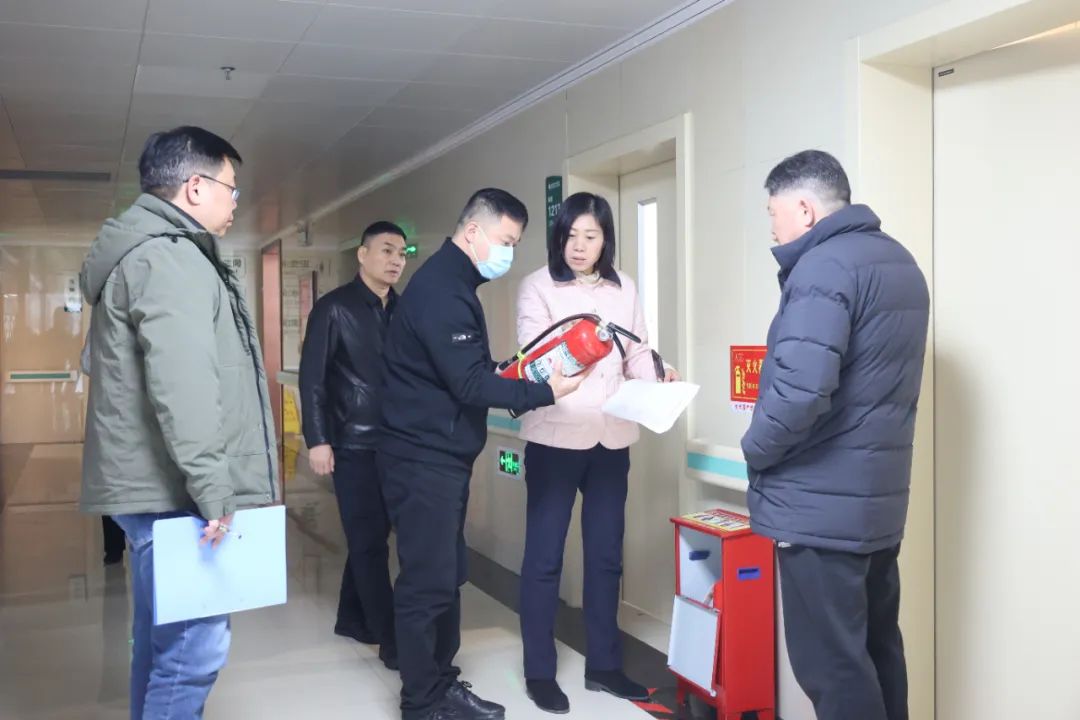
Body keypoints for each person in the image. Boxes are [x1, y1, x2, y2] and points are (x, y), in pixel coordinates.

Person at [79, 126, 278, 720]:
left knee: (161, 640)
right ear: (195, 187)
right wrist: (213, 489)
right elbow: (183, 382)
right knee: (194, 647)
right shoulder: (169, 256)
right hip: (174, 492)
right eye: (230, 188)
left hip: (153, 487)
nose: (235, 201)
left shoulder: (141, 253)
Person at [378, 188, 587, 720]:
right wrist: (545, 390)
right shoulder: (442, 291)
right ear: (473, 232)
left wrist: (514, 373)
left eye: (515, 244)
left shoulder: (453, 284)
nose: (509, 253)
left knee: (446, 576)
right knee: (427, 584)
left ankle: (440, 683)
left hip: (439, 458)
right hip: (422, 460)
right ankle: (421, 703)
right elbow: (469, 385)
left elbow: (467, 369)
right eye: (505, 241)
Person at [741, 150, 929, 720]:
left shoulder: (822, 268)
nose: (772, 227)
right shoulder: (899, 261)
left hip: (819, 511)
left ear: (804, 208)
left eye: (773, 212)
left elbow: (800, 394)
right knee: (878, 650)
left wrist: (754, 449)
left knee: (834, 670)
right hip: (875, 508)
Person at [514, 192, 679, 714]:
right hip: (555, 438)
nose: (580, 246)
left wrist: (658, 372)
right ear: (558, 238)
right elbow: (537, 361)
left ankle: (604, 666)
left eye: (591, 235)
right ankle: (539, 672)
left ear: (606, 239)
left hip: (612, 439)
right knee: (544, 558)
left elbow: (637, 352)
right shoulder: (537, 286)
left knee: (606, 556)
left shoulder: (623, 286)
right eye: (571, 235)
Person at [299, 220, 408, 670]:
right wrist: (318, 440)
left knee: (374, 536)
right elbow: (312, 380)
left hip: (396, 443)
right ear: (362, 255)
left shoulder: (402, 310)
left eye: (402, 253)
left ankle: (352, 618)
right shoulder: (334, 308)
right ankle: (390, 638)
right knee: (368, 542)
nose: (396, 260)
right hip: (351, 443)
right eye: (386, 250)